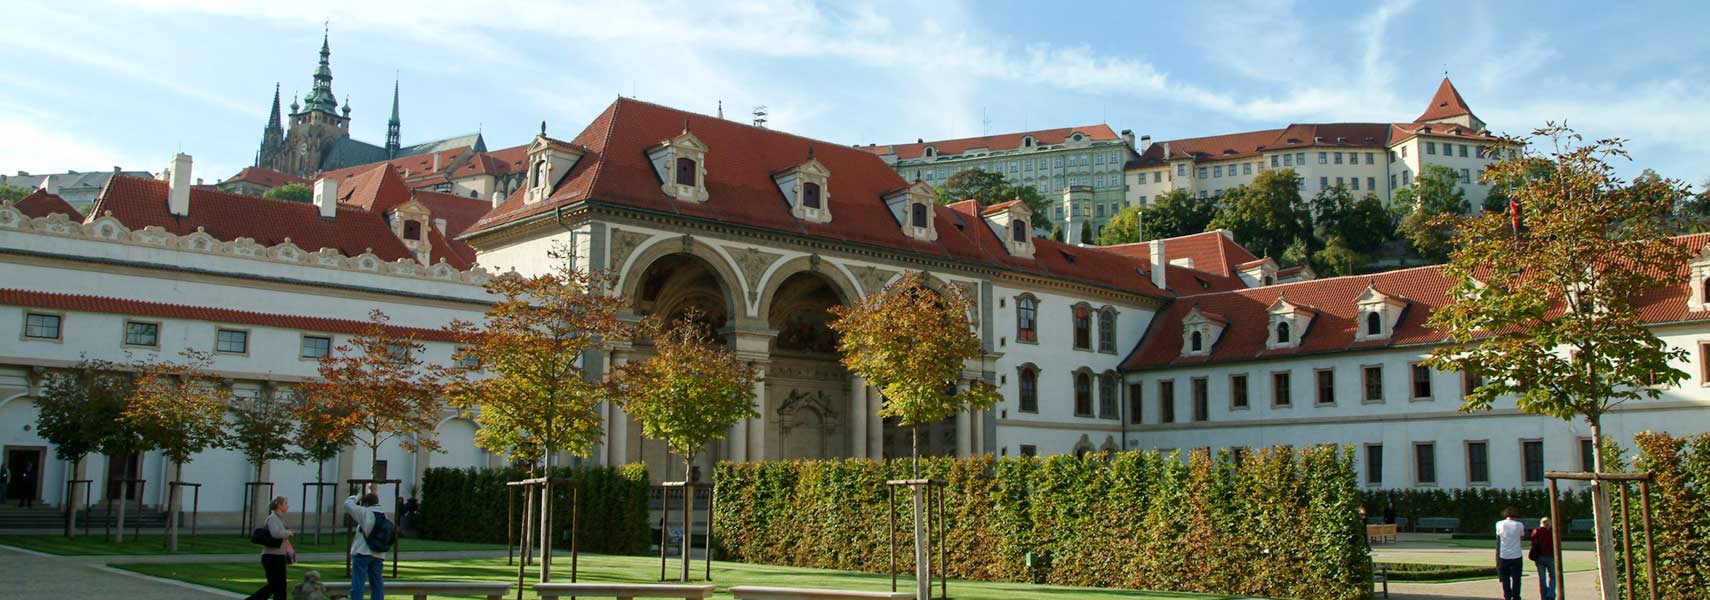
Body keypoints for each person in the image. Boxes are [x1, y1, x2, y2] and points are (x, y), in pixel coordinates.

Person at [245, 496, 294, 600]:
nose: (287, 506)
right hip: (271, 557)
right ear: (279, 505)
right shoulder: (272, 518)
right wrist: (287, 533)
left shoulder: (279, 519)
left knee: (280, 586)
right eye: (285, 503)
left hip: (279, 556)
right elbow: (275, 533)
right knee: (275, 585)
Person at [344, 489, 387, 600]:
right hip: (379, 554)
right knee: (377, 584)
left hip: (362, 552)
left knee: (358, 582)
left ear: (366, 503)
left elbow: (348, 504)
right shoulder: (384, 516)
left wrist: (357, 497)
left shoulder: (365, 512)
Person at [1496, 507, 1526, 600]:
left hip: (1504, 554)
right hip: (1516, 554)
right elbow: (1521, 537)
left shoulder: (1499, 523)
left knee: (1505, 577)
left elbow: (1498, 536)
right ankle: (1516, 596)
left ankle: (1507, 595)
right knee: (1517, 577)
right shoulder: (1519, 524)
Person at [1531, 516, 1557, 600]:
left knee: (1542, 579)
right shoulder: (1552, 532)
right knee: (1553, 576)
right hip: (1550, 556)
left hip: (1539, 556)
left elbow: (1533, 543)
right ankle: (1550, 594)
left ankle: (1544, 596)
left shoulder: (1537, 531)